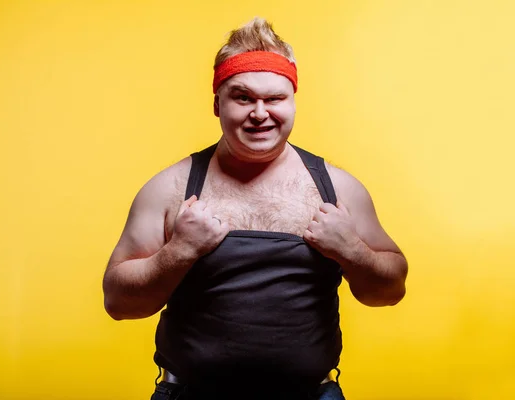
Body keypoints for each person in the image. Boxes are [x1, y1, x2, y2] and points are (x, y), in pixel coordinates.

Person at [102, 17, 408, 400]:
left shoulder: (338, 188)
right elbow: (118, 303)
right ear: (217, 104)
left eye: (275, 98)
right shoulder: (171, 189)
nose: (260, 113)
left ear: (293, 100)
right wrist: (180, 250)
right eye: (243, 97)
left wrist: (352, 250)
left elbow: (391, 290)